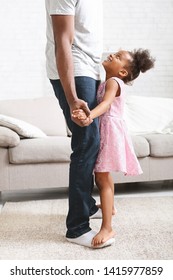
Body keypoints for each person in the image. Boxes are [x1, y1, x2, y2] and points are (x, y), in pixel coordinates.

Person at [45, 0, 114, 249]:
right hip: (76, 70)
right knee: (86, 141)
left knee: (93, 142)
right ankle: (76, 228)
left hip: (91, 69)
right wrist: (73, 98)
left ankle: (87, 204)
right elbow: (63, 40)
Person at [72, 48, 155, 247]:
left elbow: (107, 104)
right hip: (110, 131)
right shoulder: (108, 81)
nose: (111, 55)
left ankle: (107, 227)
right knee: (104, 177)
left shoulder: (113, 82)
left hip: (110, 132)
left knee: (102, 177)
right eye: (114, 53)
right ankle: (110, 207)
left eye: (118, 57)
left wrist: (90, 115)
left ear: (123, 73)